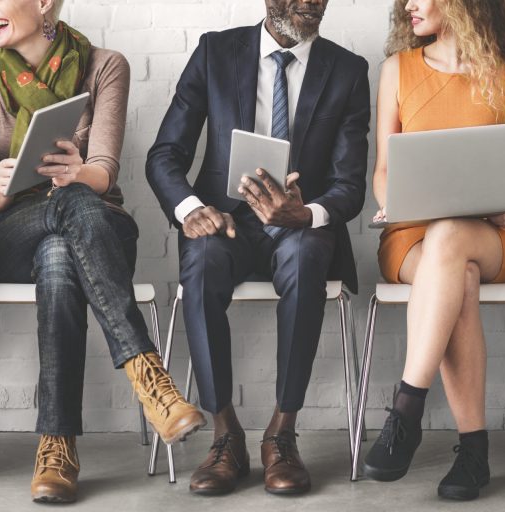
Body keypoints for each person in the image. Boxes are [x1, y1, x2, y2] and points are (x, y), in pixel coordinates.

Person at [0, 0, 205, 503]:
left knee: (59, 251)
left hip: (98, 225)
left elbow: (104, 171)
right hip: (12, 228)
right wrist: (4, 185)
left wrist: (77, 174)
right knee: (59, 224)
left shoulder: (105, 65)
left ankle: (56, 447)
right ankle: (148, 375)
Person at [147, 0, 371, 496]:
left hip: (298, 224)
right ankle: (225, 433)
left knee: (307, 253)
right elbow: (165, 153)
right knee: (201, 262)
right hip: (226, 221)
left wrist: (306, 213)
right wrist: (191, 209)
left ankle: (281, 434)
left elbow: (349, 184)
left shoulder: (349, 70)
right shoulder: (214, 53)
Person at [361, 0, 505, 501]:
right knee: (452, 268)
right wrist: (392, 201)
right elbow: (382, 169)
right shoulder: (397, 70)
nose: (408, 5)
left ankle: (406, 412)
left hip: (489, 236)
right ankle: (474, 451)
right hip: (411, 237)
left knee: (452, 239)